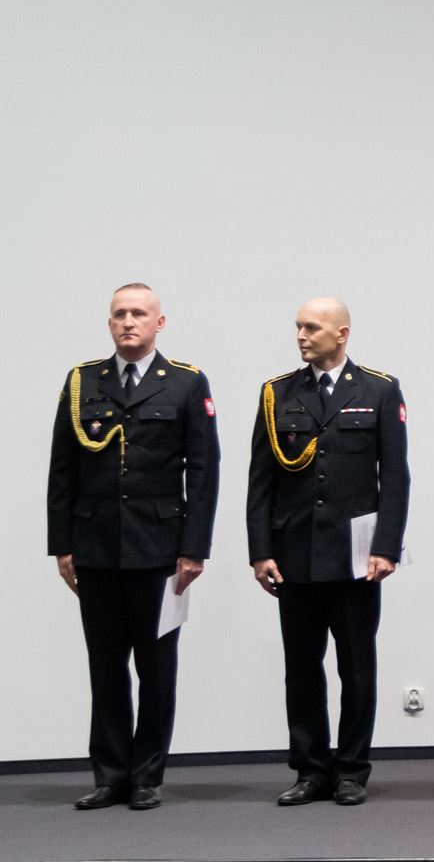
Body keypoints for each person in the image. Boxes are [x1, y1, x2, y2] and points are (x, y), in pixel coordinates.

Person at [46, 283, 220, 811]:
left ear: (158, 323)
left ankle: (147, 776)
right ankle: (110, 774)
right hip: (96, 545)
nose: (128, 322)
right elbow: (62, 468)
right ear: (109, 323)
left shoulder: (186, 383)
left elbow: (203, 471)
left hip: (160, 549)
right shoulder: (83, 382)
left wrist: (194, 548)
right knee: (105, 667)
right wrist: (62, 545)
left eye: (139, 314)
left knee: (157, 668)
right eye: (119, 314)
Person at [247, 298, 409, 807]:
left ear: (342, 333)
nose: (301, 335)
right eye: (298, 327)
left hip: (356, 559)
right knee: (301, 668)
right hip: (294, 554)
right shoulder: (277, 393)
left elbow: (395, 476)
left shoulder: (379, 390)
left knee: (357, 669)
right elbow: (261, 481)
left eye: (312, 328)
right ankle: (311, 769)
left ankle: (352, 770)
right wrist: (260, 550)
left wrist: (387, 547)